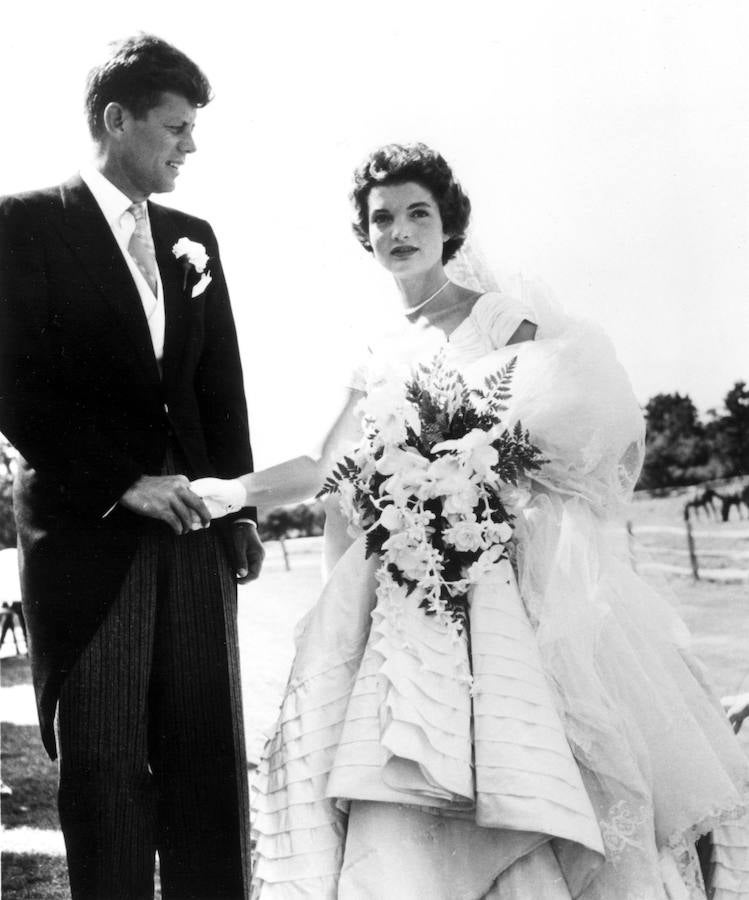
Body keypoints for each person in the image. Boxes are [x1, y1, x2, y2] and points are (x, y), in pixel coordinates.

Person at [193, 143, 749, 898]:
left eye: (416, 212)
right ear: (365, 234)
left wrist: (468, 481)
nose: (398, 230)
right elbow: (327, 467)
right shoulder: (377, 353)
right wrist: (229, 492)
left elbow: (562, 437)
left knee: (529, 767)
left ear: (448, 224)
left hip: (500, 577)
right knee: (411, 774)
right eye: (380, 217)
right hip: (408, 593)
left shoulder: (495, 318)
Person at [0, 35, 263, 900]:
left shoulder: (194, 239)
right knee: (107, 776)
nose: (190, 146)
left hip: (195, 535)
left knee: (207, 776)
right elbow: (14, 387)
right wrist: (121, 481)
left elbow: (218, 387)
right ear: (117, 120)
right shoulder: (24, 222)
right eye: (175, 127)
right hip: (90, 538)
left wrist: (243, 508)